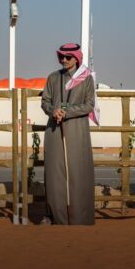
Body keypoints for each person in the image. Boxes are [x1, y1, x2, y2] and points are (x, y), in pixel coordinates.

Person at [40, 43, 97, 225]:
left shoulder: (86, 79)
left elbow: (89, 105)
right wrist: (53, 110)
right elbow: (45, 102)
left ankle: (80, 217)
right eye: (61, 57)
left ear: (77, 59)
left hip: (77, 132)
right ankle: (54, 216)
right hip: (55, 131)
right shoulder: (53, 78)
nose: (64, 60)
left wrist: (68, 111)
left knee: (78, 173)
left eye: (68, 57)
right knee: (55, 174)